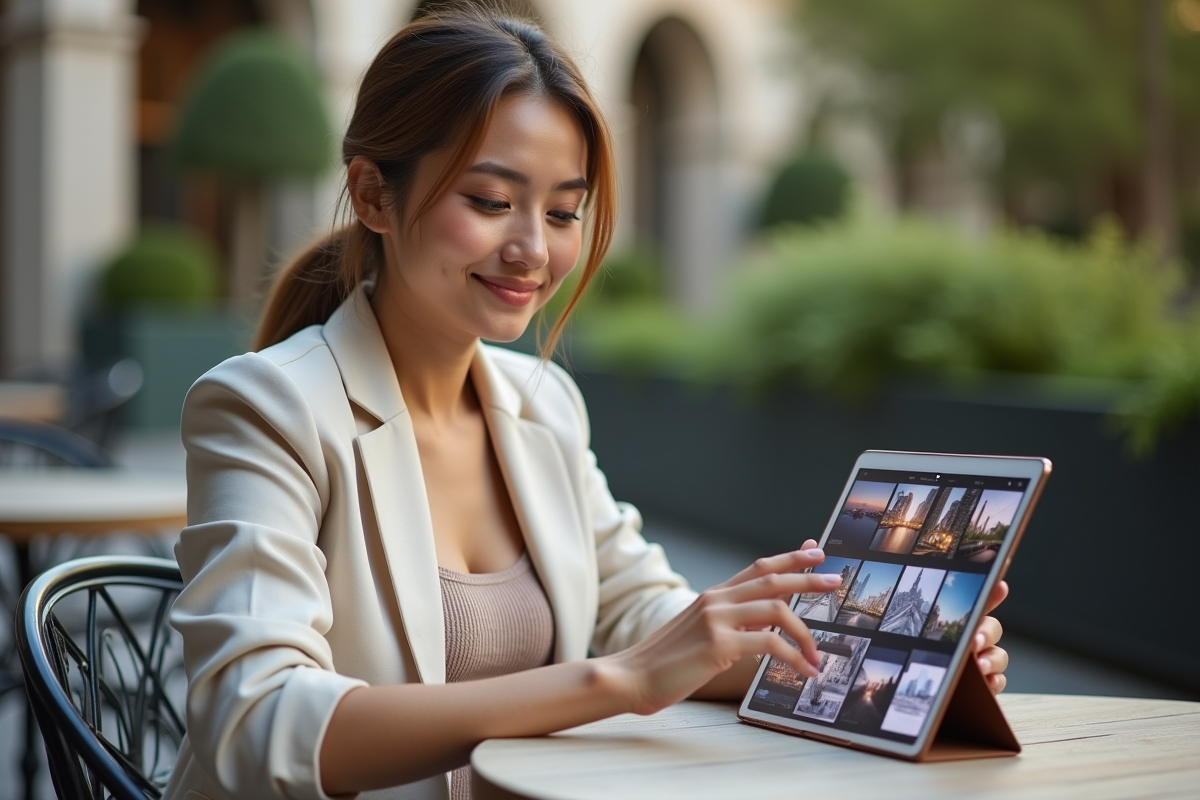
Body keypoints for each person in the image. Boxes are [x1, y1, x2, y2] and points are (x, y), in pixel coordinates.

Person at [164, 11, 1009, 800]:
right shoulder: (267, 406)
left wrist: (880, 657)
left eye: (564, 211)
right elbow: (256, 720)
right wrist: (618, 682)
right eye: (491, 201)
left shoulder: (544, 408)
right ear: (375, 195)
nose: (534, 249)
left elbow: (642, 613)